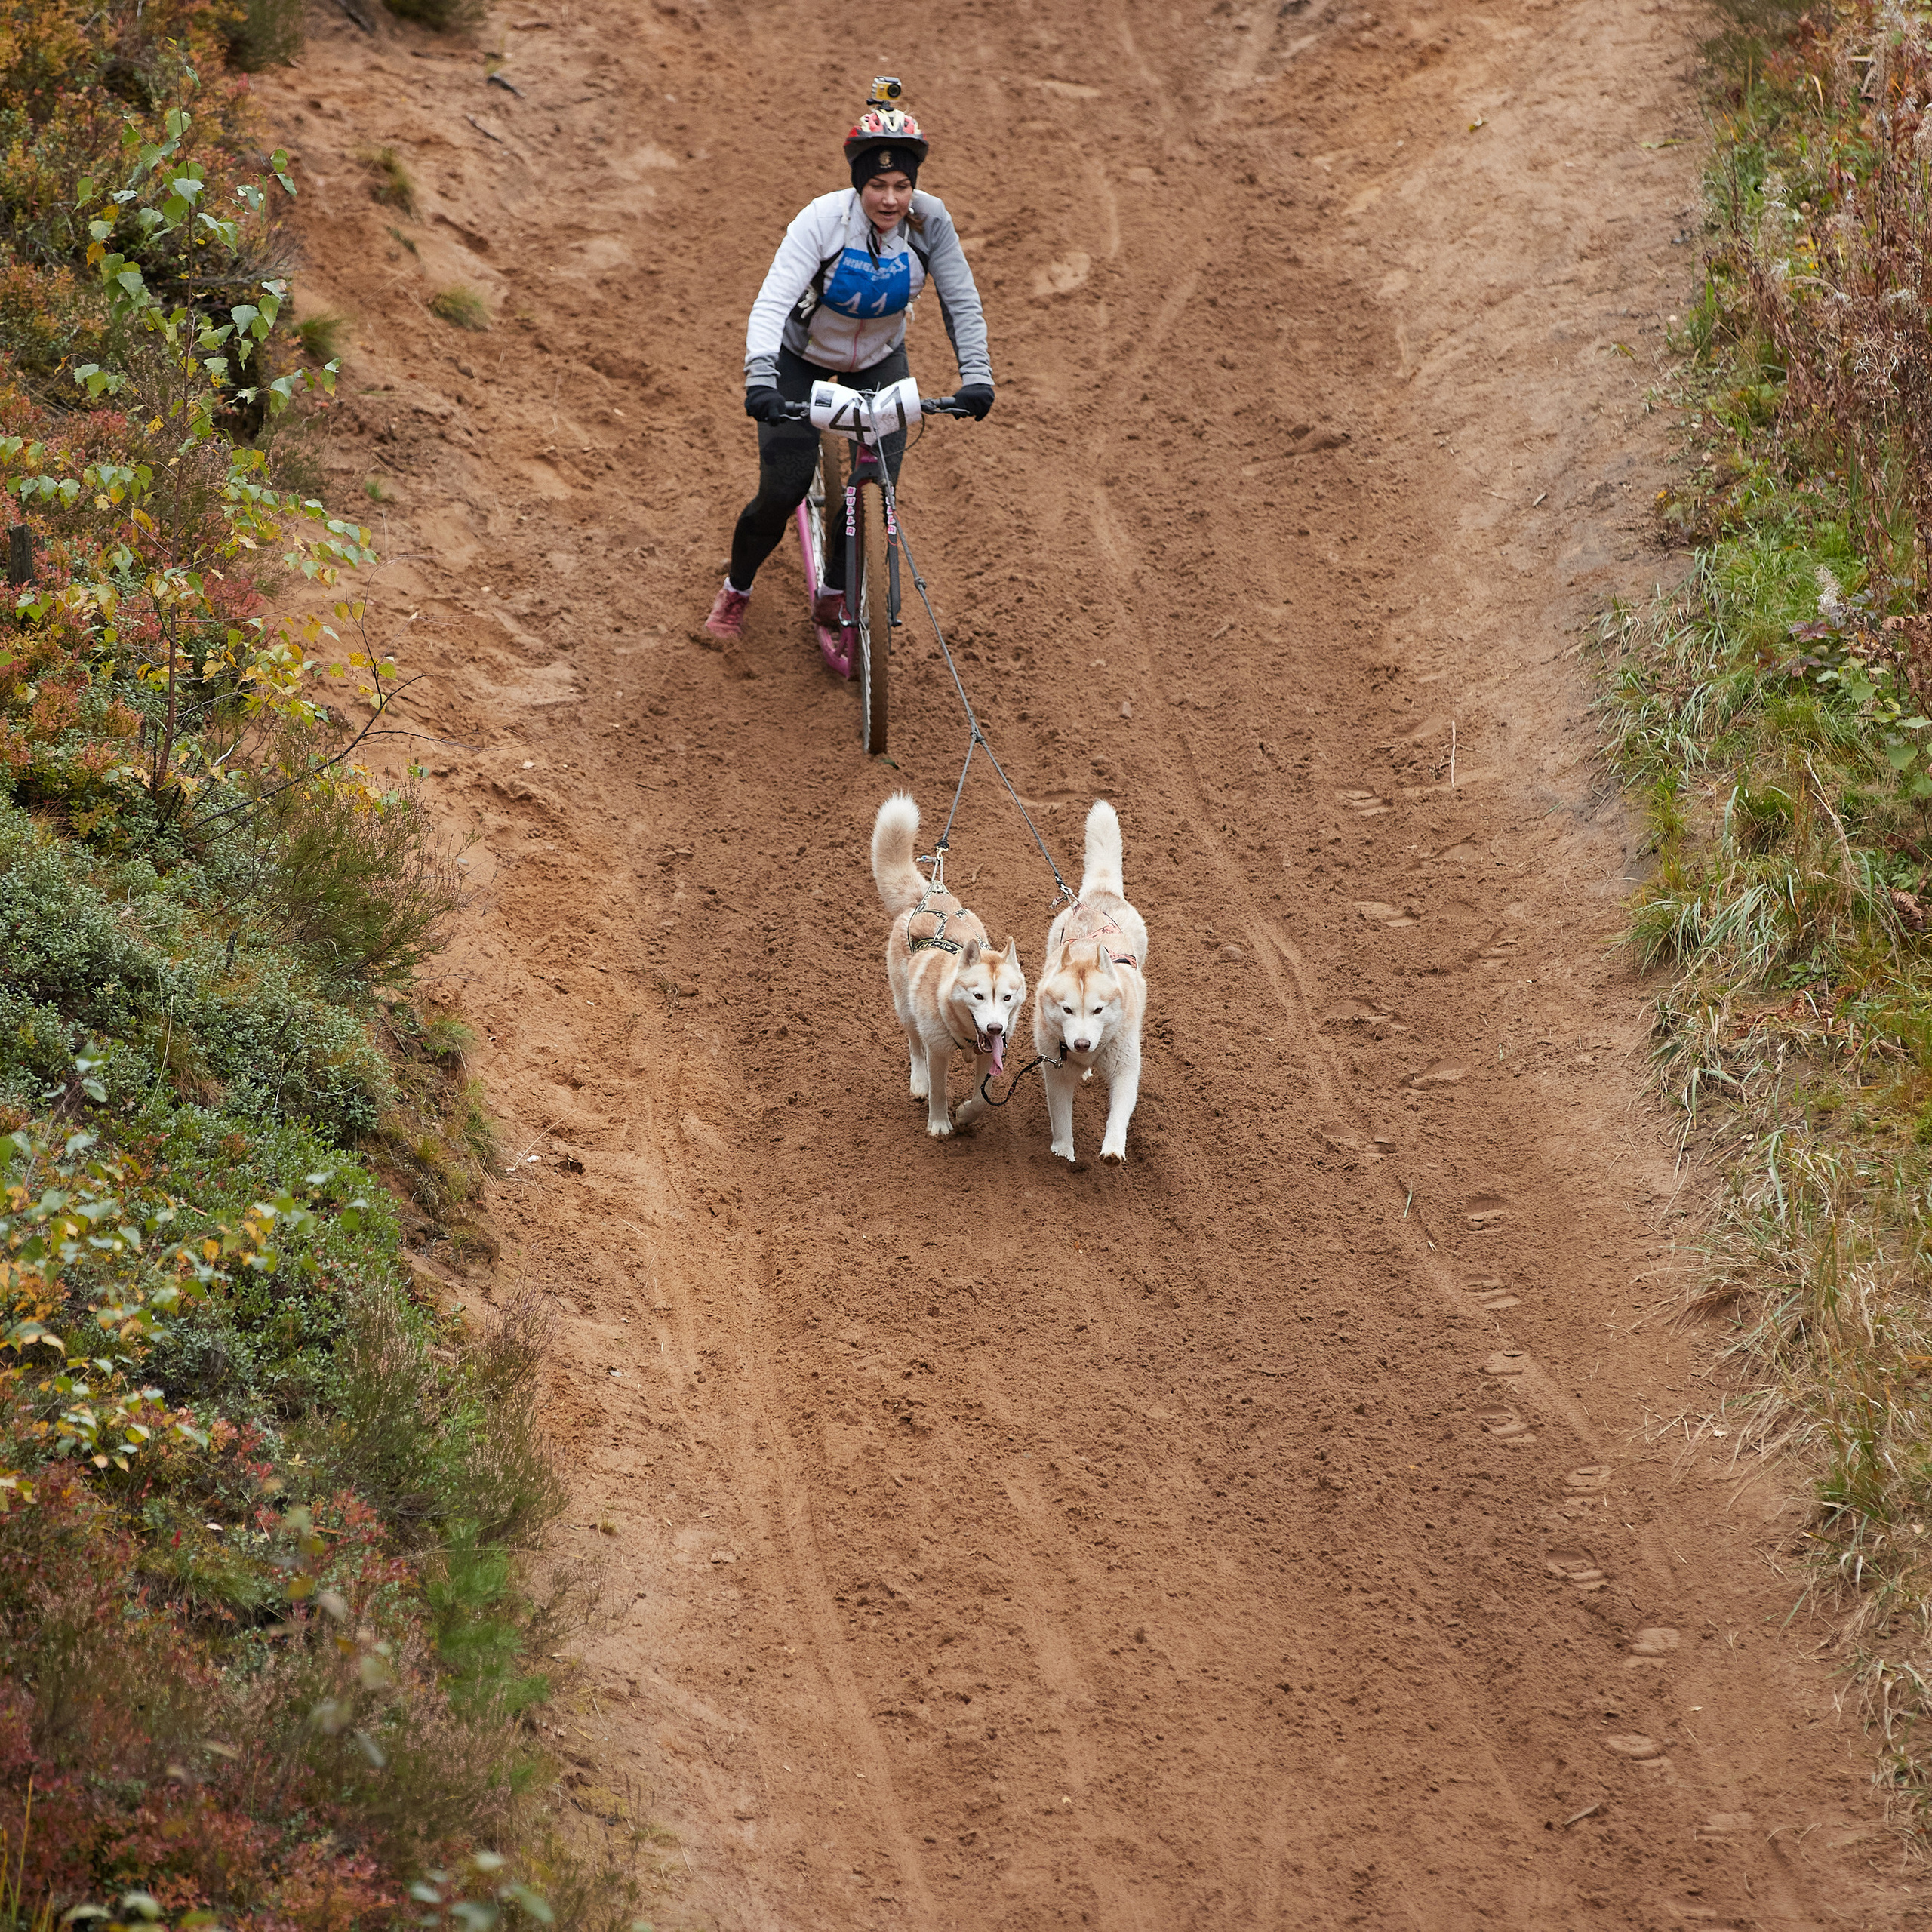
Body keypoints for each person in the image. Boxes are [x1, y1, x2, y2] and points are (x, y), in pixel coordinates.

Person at [703, 85, 995, 656]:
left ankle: (835, 591)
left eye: (902, 186)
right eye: (878, 186)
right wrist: (761, 377)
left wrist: (977, 375)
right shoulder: (822, 221)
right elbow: (770, 303)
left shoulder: (929, 223)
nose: (891, 200)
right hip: (799, 360)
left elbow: (961, 300)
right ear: (859, 183)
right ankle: (737, 589)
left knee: (876, 490)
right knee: (783, 488)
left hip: (879, 360)